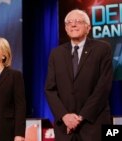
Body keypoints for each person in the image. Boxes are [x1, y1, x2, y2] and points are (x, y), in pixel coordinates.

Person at [45, 9, 113, 141]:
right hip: (65, 128)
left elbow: (103, 87)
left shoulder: (102, 49)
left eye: (78, 21)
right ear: (65, 28)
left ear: (88, 28)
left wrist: (80, 117)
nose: (73, 25)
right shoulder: (56, 54)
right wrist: (64, 116)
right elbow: (50, 89)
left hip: (93, 125)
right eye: (69, 22)